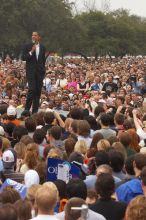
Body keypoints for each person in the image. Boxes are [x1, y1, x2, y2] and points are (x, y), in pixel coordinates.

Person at [22, 32, 46, 114]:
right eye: (32, 35)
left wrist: (43, 71)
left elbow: (43, 60)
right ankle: (26, 109)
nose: (33, 36)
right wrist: (31, 51)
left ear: (39, 37)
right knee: (32, 90)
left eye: (35, 35)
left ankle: (35, 111)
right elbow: (23, 57)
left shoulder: (42, 47)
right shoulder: (27, 46)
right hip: (31, 72)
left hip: (40, 73)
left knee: (38, 91)